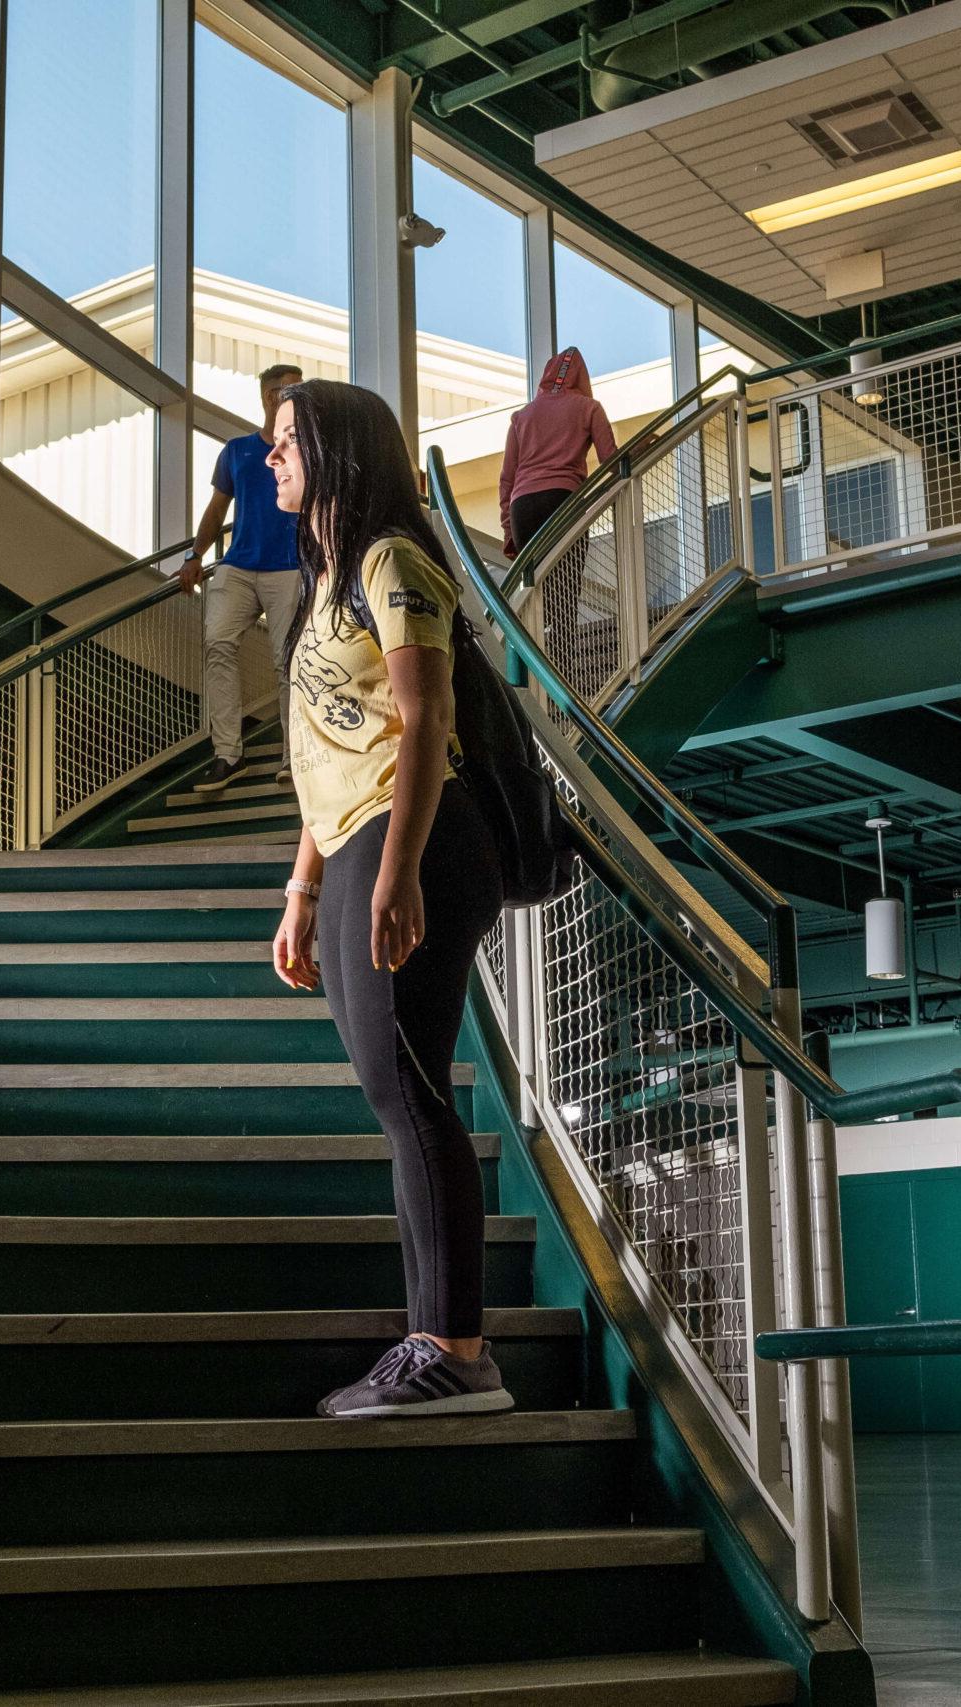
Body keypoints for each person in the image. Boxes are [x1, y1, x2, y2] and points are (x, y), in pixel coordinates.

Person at [265, 378, 510, 1418]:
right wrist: (301, 886)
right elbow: (333, 752)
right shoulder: (327, 582)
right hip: (356, 843)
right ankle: (433, 1339)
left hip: (412, 835)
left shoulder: (390, 558)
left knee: (411, 1093)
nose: (270, 458)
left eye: (286, 442)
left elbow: (425, 715)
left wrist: (400, 866)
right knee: (394, 1097)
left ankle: (453, 1347)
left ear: (338, 449)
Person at [184, 362, 305, 794]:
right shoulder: (236, 451)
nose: (298, 396)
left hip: (289, 568)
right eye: (292, 390)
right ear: (271, 397)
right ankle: (227, 756)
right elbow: (216, 510)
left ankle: (295, 758)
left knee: (287, 661)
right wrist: (194, 555)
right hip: (237, 567)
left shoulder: (309, 449)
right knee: (217, 642)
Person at [497, 348, 617, 665]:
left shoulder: (522, 417)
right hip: (562, 500)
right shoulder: (588, 407)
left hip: (523, 508)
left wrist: (509, 529)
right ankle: (561, 666)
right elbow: (611, 461)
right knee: (566, 585)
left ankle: (533, 666)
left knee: (536, 588)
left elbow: (507, 479)